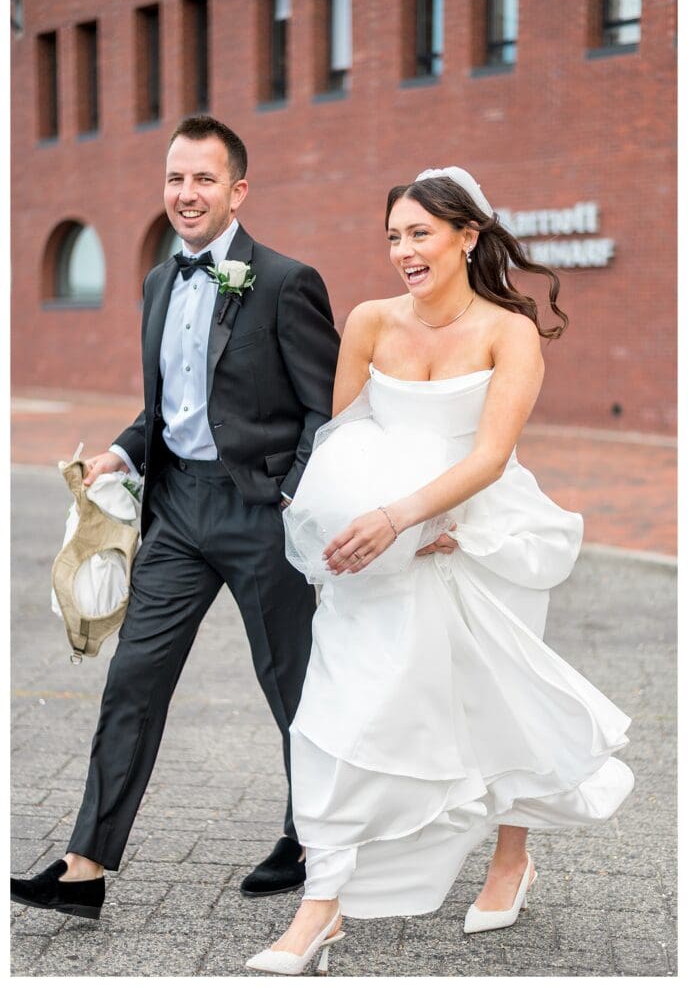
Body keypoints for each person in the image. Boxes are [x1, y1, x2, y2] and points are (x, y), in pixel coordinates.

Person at [245, 167, 634, 975]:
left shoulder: (508, 333)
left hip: (477, 537)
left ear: (468, 236)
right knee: (342, 714)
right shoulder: (369, 322)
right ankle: (323, 907)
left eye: (420, 233)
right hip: (376, 559)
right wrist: (328, 516)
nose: (403, 251)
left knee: (494, 706)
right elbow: (344, 435)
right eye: (393, 235)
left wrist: (409, 514)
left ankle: (509, 860)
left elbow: (491, 456)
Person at [10, 115, 340, 919]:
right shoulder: (159, 281)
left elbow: (325, 408)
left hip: (264, 512)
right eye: (175, 179)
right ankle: (85, 866)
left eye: (203, 179)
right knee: (133, 679)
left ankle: (311, 840)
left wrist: (293, 495)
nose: (186, 194)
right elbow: (168, 406)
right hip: (179, 511)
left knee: (291, 688)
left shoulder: (286, 281)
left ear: (238, 190)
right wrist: (122, 453)